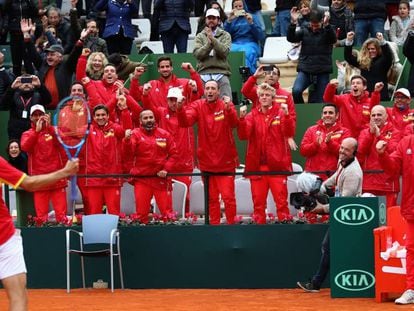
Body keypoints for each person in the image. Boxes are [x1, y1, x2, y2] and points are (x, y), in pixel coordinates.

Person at [0, 155, 78, 311]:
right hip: (5, 238)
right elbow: (29, 183)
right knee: (18, 297)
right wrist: (65, 171)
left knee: (19, 297)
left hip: (5, 237)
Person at [297, 137, 363, 292]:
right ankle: (318, 283)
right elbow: (336, 177)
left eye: (346, 150)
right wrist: (320, 187)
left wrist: (322, 209)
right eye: (341, 148)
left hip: (348, 217)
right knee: (328, 247)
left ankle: (317, 284)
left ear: (354, 152)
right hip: (341, 214)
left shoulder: (354, 173)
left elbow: (344, 203)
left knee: (328, 247)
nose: (342, 151)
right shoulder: (343, 162)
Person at [177, 80, 239, 225]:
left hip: (226, 162)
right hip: (207, 163)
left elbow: (235, 123)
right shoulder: (198, 105)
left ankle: (232, 226)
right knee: (211, 199)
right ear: (204, 91)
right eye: (207, 88)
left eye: (213, 89)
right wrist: (180, 109)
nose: (210, 91)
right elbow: (185, 122)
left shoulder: (226, 105)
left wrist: (229, 109)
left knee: (229, 198)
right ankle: (214, 226)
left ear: (218, 91)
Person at [238, 83, 295, 223]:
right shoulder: (251, 116)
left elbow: (289, 132)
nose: (264, 97)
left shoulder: (281, 113)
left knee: (281, 203)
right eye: (262, 95)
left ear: (272, 98)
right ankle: (259, 233)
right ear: (258, 97)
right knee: (258, 205)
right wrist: (241, 119)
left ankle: (285, 229)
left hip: (277, 166)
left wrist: (287, 115)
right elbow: (243, 135)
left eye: (267, 95)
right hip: (257, 167)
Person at [141, 87, 195, 212]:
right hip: (164, 166)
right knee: (165, 198)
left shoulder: (188, 113)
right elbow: (149, 107)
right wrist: (145, 95)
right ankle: (168, 220)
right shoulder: (160, 112)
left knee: (186, 198)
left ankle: (186, 223)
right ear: (167, 100)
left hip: (184, 164)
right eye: (171, 100)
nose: (174, 103)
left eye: (176, 100)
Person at [376, 130, 414, 304]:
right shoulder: (406, 142)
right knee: (412, 249)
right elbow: (392, 170)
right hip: (412, 206)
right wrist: (382, 154)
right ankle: (411, 289)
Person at [123, 110, 178, 224]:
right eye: (146, 118)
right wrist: (127, 141)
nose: (149, 120)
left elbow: (174, 154)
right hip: (142, 179)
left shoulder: (164, 134)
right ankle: (142, 239)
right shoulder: (135, 134)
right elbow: (128, 154)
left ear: (154, 119)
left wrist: (166, 169)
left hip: (160, 179)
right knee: (141, 214)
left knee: (167, 214)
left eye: (151, 117)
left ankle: (171, 238)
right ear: (140, 121)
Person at [21, 18, 88, 108]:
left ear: (60, 57)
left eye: (52, 54)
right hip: (43, 107)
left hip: (62, 107)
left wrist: (81, 40)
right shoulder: (43, 64)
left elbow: (75, 54)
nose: (49, 57)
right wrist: (26, 35)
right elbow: (33, 53)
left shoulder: (67, 65)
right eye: (48, 54)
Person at [21, 104, 68, 223]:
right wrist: (36, 132)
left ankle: (64, 238)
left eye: (40, 114)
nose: (38, 118)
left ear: (45, 115)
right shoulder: (27, 133)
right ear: (31, 118)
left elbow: (62, 142)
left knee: (61, 216)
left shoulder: (54, 130)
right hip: (39, 179)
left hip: (57, 178)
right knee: (41, 218)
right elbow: (25, 147)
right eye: (35, 115)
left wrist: (50, 128)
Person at [82, 104, 131, 215]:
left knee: (114, 212)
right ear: (93, 117)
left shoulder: (115, 128)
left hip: (112, 178)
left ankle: (114, 232)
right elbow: (71, 132)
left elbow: (126, 131)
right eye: (98, 115)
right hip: (94, 178)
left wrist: (124, 110)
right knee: (94, 212)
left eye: (103, 115)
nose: (100, 117)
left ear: (108, 116)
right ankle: (96, 233)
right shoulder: (87, 130)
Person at [287, 8, 337, 103]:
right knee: (296, 91)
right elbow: (291, 38)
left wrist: (327, 26)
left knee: (323, 99)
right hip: (306, 69)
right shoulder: (304, 29)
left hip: (322, 70)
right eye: (312, 25)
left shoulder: (328, 29)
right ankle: (300, 110)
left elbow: (333, 39)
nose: (314, 28)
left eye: (317, 25)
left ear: (322, 21)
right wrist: (293, 23)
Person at [357, 105, 401, 207]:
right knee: (368, 217)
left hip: (388, 183)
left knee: (388, 217)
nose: (376, 117)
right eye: (373, 115)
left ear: (386, 116)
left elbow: (393, 152)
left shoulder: (395, 132)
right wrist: (370, 134)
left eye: (379, 115)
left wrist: (378, 136)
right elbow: (360, 152)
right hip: (368, 182)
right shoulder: (364, 132)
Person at [300, 104, 351, 180]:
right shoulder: (311, 130)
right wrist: (315, 144)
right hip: (312, 177)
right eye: (325, 113)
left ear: (337, 116)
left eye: (330, 113)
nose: (327, 115)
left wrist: (330, 143)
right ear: (321, 115)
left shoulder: (344, 132)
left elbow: (346, 154)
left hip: (333, 177)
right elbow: (303, 151)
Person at [129, 56, 203, 108]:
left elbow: (200, 92)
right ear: (158, 69)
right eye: (162, 67)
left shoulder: (184, 83)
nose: (165, 69)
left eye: (167, 66)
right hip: (160, 126)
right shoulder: (151, 84)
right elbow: (135, 97)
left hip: (180, 125)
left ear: (171, 68)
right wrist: (135, 78)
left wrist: (192, 72)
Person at [193, 8, 233, 99]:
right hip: (203, 73)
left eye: (214, 18)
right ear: (206, 20)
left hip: (221, 72)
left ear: (218, 21)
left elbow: (224, 52)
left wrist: (213, 39)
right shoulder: (200, 36)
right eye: (209, 18)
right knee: (201, 104)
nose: (211, 20)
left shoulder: (225, 35)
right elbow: (198, 54)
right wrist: (209, 44)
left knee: (226, 102)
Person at [0, 74, 51, 141]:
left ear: (33, 85)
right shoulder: (13, 94)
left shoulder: (39, 95)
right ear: (19, 84)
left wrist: (40, 86)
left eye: (29, 81)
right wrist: (12, 88)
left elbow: (48, 100)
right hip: (15, 132)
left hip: (34, 130)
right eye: (23, 81)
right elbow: (4, 105)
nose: (26, 84)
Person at [344, 31, 392, 101]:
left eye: (373, 49)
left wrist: (382, 41)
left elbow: (388, 55)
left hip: (381, 97)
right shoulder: (363, 62)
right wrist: (349, 41)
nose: (370, 51)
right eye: (368, 49)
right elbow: (348, 57)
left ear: (378, 49)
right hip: (365, 98)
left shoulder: (383, 61)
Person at [224, 0, 265, 74]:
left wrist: (251, 23)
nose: (238, 8)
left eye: (240, 6)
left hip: (250, 42)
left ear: (244, 6)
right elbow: (225, 36)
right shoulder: (231, 19)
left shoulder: (253, 17)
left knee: (246, 52)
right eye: (236, 7)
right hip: (235, 43)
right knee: (228, 52)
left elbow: (260, 36)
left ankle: (248, 76)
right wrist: (228, 21)